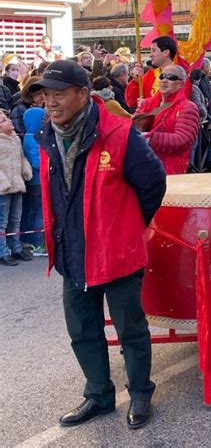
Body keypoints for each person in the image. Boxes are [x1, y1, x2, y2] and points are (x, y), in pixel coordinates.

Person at [32, 60, 166, 429]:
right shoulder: (48, 135)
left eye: (59, 94)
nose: (51, 103)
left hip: (117, 251)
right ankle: (99, 395)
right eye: (47, 95)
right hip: (71, 251)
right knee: (82, 329)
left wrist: (126, 224)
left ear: (82, 95)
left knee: (130, 329)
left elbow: (153, 183)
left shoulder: (120, 135)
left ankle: (140, 393)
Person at [144, 65, 200, 175]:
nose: (164, 80)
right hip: (146, 165)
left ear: (182, 83)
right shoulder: (147, 104)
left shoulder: (188, 107)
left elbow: (182, 140)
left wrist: (148, 138)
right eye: (162, 76)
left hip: (170, 169)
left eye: (171, 77)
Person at [0, 110, 33, 266]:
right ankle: (2, 251)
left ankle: (16, 248)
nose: (10, 122)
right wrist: (3, 181)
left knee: (15, 219)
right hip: (3, 187)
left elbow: (21, 157)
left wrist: (25, 170)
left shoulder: (15, 139)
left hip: (17, 184)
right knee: (2, 221)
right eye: (4, 120)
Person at [21, 107, 47, 255]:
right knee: (40, 211)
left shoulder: (31, 136)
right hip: (38, 180)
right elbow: (37, 162)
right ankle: (39, 243)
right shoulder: (32, 138)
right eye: (42, 118)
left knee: (37, 210)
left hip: (36, 180)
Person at [125, 36, 177, 109]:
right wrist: (136, 81)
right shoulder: (150, 75)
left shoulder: (180, 76)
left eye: (154, 50)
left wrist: (146, 103)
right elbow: (132, 102)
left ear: (166, 52)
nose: (150, 55)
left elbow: (172, 103)